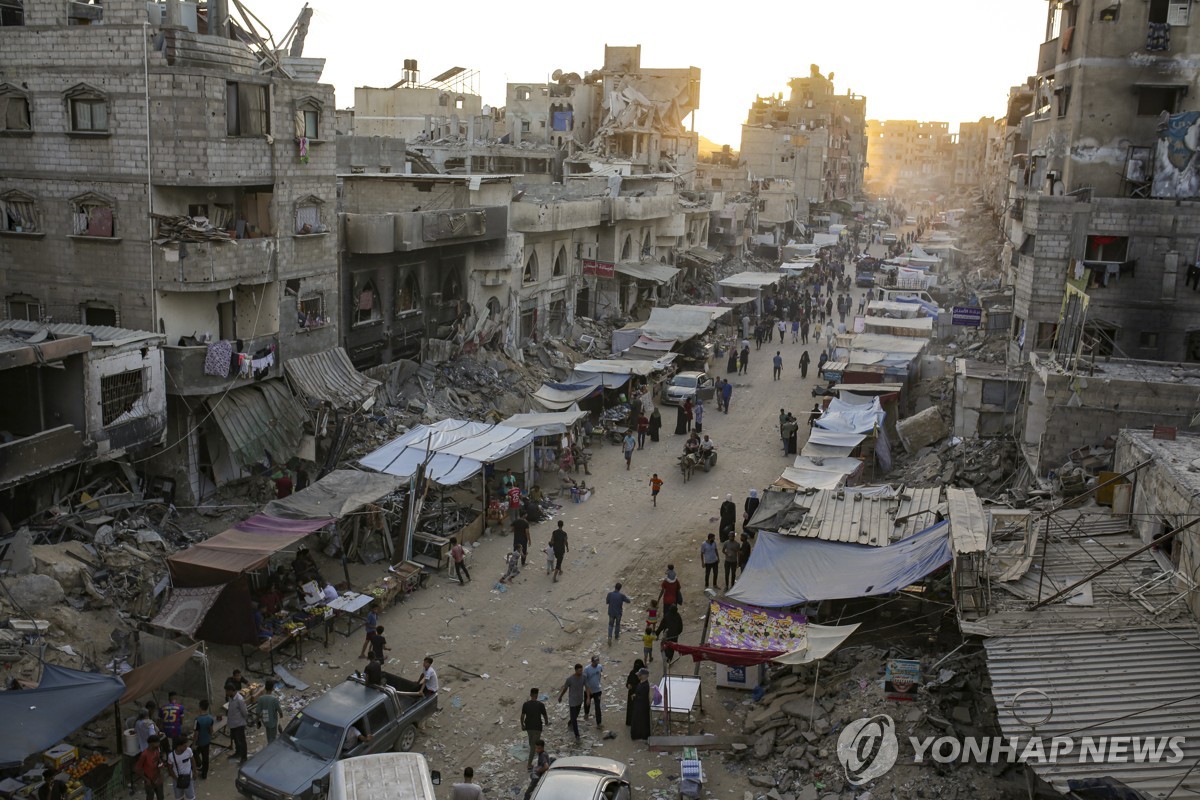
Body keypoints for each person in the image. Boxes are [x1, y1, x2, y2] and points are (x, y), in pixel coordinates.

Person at [558, 663, 588, 742]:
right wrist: (560, 696)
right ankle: (577, 735)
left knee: (575, 716)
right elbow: (565, 688)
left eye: (581, 670)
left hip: (579, 700)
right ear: (575, 670)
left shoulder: (584, 677)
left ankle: (570, 721)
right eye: (579, 671)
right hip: (572, 701)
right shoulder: (570, 679)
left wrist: (588, 697)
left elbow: (587, 687)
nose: (581, 672)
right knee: (574, 719)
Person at [520, 689, 549, 768]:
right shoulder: (540, 704)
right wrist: (546, 722)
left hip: (529, 727)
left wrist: (522, 725)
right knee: (534, 746)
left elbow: (522, 716)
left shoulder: (526, 704)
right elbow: (545, 715)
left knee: (532, 743)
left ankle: (536, 760)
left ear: (530, 695)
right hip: (537, 728)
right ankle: (529, 764)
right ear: (537, 695)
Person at [135, 736, 165, 800]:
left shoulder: (156, 750)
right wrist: (146, 779)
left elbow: (158, 759)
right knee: (150, 797)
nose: (158, 744)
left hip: (158, 778)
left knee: (161, 797)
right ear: (151, 743)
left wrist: (161, 764)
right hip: (149, 781)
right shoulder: (144, 755)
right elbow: (137, 769)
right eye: (157, 743)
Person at [224, 684, 248, 764]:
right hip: (233, 723)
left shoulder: (239, 699)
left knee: (241, 741)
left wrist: (242, 720)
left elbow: (245, 712)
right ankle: (238, 753)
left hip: (239, 724)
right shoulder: (231, 698)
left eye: (227, 691)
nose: (226, 693)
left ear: (231, 690)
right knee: (235, 740)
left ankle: (244, 757)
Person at [192, 701, 213, 780]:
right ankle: (204, 774)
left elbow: (196, 734)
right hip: (207, 740)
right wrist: (209, 737)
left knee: (193, 752)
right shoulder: (210, 718)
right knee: (205, 757)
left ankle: (199, 764)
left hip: (199, 741)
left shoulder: (197, 720)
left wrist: (194, 744)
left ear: (200, 707)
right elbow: (211, 730)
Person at [629, 668, 652, 741]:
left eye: (640, 675)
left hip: (642, 706)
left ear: (644, 676)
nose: (638, 676)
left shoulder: (645, 685)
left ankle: (642, 735)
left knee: (642, 721)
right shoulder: (641, 683)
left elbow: (643, 697)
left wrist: (635, 697)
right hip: (638, 705)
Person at [257, 680, 281, 744]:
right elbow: (279, 709)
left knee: (268, 732)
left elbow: (258, 711)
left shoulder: (261, 698)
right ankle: (271, 746)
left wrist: (258, 720)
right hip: (273, 719)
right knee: (273, 734)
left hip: (265, 719)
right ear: (273, 688)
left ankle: (269, 742)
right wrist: (281, 715)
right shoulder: (274, 699)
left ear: (265, 688)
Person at [582, 655, 604, 727]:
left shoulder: (600, 666)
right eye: (595, 661)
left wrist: (599, 680)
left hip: (597, 690)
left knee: (597, 707)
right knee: (587, 704)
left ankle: (599, 723)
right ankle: (586, 713)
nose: (597, 663)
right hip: (589, 690)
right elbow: (585, 682)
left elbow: (600, 673)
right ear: (592, 661)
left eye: (598, 661)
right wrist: (588, 696)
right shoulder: (587, 669)